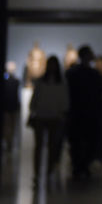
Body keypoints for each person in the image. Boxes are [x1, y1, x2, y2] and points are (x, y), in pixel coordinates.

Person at [29, 55, 68, 187]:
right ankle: (38, 173)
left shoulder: (60, 83)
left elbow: (64, 101)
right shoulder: (42, 82)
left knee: (52, 147)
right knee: (40, 147)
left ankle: (48, 172)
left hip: (54, 117)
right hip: (42, 117)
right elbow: (35, 99)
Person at [65, 45, 102, 180]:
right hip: (82, 113)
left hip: (80, 113)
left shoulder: (74, 73)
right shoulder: (91, 74)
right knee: (81, 142)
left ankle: (80, 166)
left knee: (81, 142)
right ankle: (81, 166)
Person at [2, 61, 21, 153]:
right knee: (9, 127)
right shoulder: (15, 81)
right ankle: (9, 143)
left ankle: (9, 143)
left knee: (9, 127)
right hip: (10, 106)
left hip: (10, 106)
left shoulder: (15, 81)